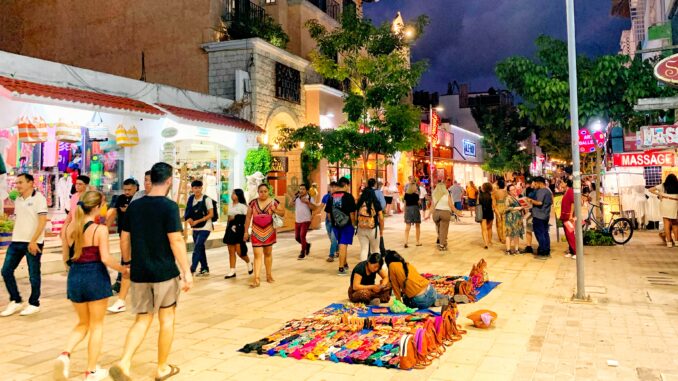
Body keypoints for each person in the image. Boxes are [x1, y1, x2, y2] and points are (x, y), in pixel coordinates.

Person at [108, 162, 193, 381]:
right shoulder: (169, 206)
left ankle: (125, 362)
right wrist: (186, 271)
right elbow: (175, 239)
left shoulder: (135, 206)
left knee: (142, 320)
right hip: (164, 272)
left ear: (151, 179)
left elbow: (124, 237)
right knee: (167, 319)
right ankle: (162, 368)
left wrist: (127, 263)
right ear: (169, 181)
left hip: (140, 272)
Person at [55, 191, 128, 381]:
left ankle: (64, 355)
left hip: (75, 276)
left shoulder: (70, 228)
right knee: (96, 325)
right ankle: (91, 371)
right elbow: (105, 258)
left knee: (82, 323)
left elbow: (65, 258)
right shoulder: (99, 229)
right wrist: (123, 269)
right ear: (96, 207)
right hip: (95, 276)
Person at [0, 173, 48, 317]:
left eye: (20, 182)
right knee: (6, 270)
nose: (17, 185)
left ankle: (34, 303)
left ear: (30, 183)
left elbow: (42, 221)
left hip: (33, 242)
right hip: (17, 240)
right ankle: (15, 300)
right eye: (16, 183)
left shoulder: (39, 199)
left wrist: (33, 241)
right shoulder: (18, 199)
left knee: (33, 274)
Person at [106, 178, 139, 314]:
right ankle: (121, 285)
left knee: (132, 261)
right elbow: (111, 213)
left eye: (129, 190)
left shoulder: (140, 199)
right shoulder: (119, 199)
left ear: (136, 188)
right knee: (126, 261)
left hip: (138, 235)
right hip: (123, 233)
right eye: (124, 189)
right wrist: (104, 228)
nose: (126, 192)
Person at [243, 183, 285, 287]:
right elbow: (248, 217)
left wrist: (275, 210)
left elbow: (283, 213)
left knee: (268, 254)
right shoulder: (252, 203)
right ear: (258, 192)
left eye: (265, 191)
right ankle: (256, 278)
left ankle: (268, 275)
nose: (263, 193)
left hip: (269, 231)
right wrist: (245, 231)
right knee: (257, 255)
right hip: (256, 232)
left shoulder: (274, 202)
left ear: (268, 192)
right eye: (261, 191)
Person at [384, 250, 448, 309]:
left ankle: (431, 303)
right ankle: (447, 299)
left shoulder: (391, 266)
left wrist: (399, 304)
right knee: (430, 296)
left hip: (421, 300)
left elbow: (396, 288)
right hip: (431, 291)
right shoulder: (407, 264)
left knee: (405, 299)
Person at [325, 177, 357, 276]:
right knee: (343, 244)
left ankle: (345, 263)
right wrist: (353, 224)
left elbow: (329, 213)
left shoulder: (331, 197)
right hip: (346, 225)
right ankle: (341, 268)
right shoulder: (349, 196)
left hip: (335, 225)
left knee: (342, 244)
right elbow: (352, 213)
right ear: (346, 185)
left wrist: (333, 223)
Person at [184, 180, 214, 277]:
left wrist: (198, 221)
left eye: (199, 188)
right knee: (200, 247)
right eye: (195, 188)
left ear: (202, 188)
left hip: (206, 226)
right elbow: (187, 212)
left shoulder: (207, 199)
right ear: (192, 189)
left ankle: (192, 269)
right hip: (195, 227)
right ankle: (205, 268)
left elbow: (211, 214)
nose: (197, 190)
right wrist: (189, 219)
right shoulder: (191, 199)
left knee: (197, 247)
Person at [223, 189, 253, 278]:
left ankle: (248, 262)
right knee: (231, 251)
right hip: (230, 229)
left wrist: (245, 232)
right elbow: (229, 218)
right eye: (232, 193)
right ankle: (232, 271)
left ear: (238, 195)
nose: (232, 195)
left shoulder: (243, 206)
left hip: (239, 230)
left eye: (234, 194)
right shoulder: (229, 205)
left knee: (240, 252)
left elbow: (246, 219)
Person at [356, 181, 384, 261]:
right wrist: (381, 230)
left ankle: (363, 269)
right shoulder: (375, 203)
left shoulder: (360, 202)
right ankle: (379, 269)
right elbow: (381, 218)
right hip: (372, 228)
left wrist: (355, 224)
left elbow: (355, 214)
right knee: (375, 250)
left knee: (364, 249)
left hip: (361, 228)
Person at [649, 174, 678, 247]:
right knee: (675, 224)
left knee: (666, 224)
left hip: (664, 204)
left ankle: (669, 243)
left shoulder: (662, 185)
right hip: (674, 205)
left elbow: (650, 189)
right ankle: (677, 241)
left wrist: (659, 194)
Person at [528, 177, 553, 259]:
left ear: (539, 183)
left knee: (540, 233)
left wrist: (530, 200)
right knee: (545, 233)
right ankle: (546, 250)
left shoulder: (541, 191)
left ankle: (543, 251)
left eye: (535, 183)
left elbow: (539, 202)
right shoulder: (548, 191)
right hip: (545, 215)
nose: (535, 185)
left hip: (539, 216)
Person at [431, 181, 458, 251]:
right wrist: (457, 212)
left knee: (439, 228)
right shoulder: (447, 195)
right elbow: (451, 205)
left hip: (436, 213)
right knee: (444, 229)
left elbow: (432, 206)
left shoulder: (434, 195)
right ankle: (442, 245)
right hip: (445, 213)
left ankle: (441, 240)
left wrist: (428, 215)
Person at [294, 183, 315, 260]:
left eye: (303, 189)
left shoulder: (310, 198)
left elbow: (314, 208)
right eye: (300, 189)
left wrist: (307, 202)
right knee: (297, 237)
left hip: (306, 220)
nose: (301, 190)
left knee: (302, 236)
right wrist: (293, 198)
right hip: (297, 220)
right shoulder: (297, 198)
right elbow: (290, 205)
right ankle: (307, 245)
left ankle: (302, 252)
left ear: (306, 190)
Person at [504, 184, 525, 255]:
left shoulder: (516, 197)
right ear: (509, 191)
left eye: (514, 189)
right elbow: (506, 208)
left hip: (517, 218)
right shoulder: (508, 198)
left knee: (517, 233)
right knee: (509, 234)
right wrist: (517, 208)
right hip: (510, 218)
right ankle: (508, 250)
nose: (514, 190)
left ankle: (516, 249)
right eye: (512, 189)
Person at [321, 182, 339, 262]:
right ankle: (338, 249)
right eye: (331, 187)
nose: (333, 189)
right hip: (328, 221)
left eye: (335, 187)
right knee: (331, 238)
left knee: (333, 238)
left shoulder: (339, 197)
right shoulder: (327, 197)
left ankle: (331, 255)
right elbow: (323, 208)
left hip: (335, 222)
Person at [560, 179, 577, 258]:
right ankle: (571, 250)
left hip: (568, 216)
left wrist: (570, 215)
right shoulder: (566, 191)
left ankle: (575, 252)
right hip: (565, 216)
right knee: (567, 234)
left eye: (562, 182)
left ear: (566, 183)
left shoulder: (570, 191)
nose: (561, 184)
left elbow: (573, 203)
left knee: (570, 234)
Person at [403, 183, 422, 248]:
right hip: (415, 209)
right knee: (417, 226)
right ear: (413, 188)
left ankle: (406, 241)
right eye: (415, 187)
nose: (416, 188)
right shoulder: (416, 195)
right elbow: (419, 203)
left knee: (407, 226)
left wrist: (404, 212)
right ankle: (417, 241)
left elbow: (405, 204)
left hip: (408, 209)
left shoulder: (406, 195)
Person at [478, 182, 494, 249]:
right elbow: (493, 205)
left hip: (482, 213)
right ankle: (490, 241)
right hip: (490, 212)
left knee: (484, 229)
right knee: (489, 228)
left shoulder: (479, 195)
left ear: (483, 188)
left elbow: (477, 205)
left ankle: (486, 244)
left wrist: (477, 215)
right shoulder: (492, 195)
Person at [493, 178, 508, 244]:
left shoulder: (494, 192)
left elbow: (493, 203)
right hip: (505, 207)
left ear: (498, 185)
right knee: (505, 223)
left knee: (498, 223)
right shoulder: (506, 192)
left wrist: (495, 210)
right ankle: (504, 238)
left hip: (498, 207)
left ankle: (500, 238)